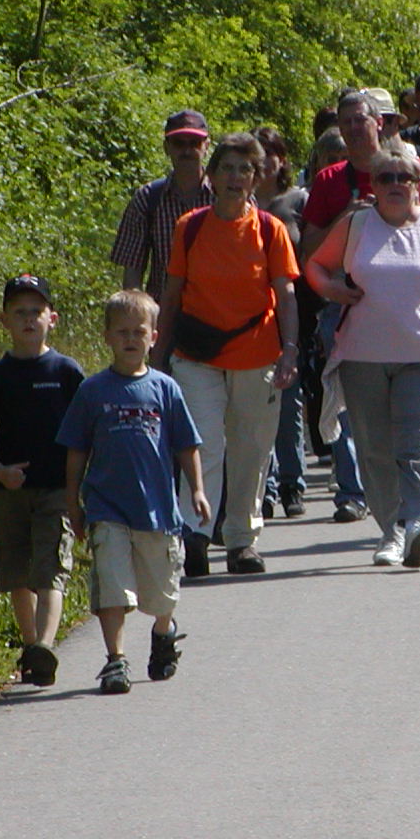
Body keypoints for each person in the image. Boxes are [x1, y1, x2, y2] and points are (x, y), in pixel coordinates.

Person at [305, 140, 420, 567]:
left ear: (418, 183)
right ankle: (390, 531)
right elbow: (314, 265)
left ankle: (416, 525)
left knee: (417, 444)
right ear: (373, 184)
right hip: (362, 356)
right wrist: (333, 290)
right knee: (374, 450)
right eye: (385, 177)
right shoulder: (356, 224)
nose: (394, 184)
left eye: (403, 177)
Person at [154, 133, 300, 576]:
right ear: (212, 176)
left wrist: (290, 351)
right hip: (196, 355)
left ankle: (240, 541)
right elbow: (172, 295)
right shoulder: (190, 227)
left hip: (257, 354)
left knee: (251, 451)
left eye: (245, 170)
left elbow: (286, 296)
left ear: (256, 179)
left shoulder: (270, 229)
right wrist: (156, 355)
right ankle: (195, 535)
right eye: (228, 169)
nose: (236, 178)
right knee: (202, 445)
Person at [58, 290, 210, 694]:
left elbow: (186, 444)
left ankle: (163, 632)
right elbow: (76, 450)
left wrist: (197, 489)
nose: (130, 339)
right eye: (122, 332)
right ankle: (116, 660)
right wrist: (73, 502)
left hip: (157, 509)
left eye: (138, 332)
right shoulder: (93, 391)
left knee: (161, 595)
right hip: (107, 507)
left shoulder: (166, 389)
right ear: (107, 336)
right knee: (112, 585)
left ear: (153, 337)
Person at [302, 91, 420, 522]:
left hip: (411, 313)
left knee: (410, 423)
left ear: (379, 122)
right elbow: (309, 251)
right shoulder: (329, 181)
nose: (353, 129)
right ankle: (352, 492)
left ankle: (413, 508)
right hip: (348, 308)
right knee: (356, 412)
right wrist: (348, 218)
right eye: (345, 122)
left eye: (360, 119)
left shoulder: (410, 169)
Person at [0, 274, 85, 687]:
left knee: (51, 569)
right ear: (4, 320)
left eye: (37, 311)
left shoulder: (66, 372)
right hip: (9, 493)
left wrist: (81, 485)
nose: (29, 319)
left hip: (56, 490)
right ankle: (30, 644)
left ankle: (45, 647)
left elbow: (85, 432)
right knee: (16, 571)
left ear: (53, 318)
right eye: (20, 312)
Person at [254, 128, 311, 519]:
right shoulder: (234, 202)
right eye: (258, 154)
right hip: (251, 314)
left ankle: (292, 482)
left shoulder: (298, 201)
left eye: (271, 152)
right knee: (256, 404)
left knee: (289, 401)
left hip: (291, 310)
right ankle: (266, 487)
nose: (264, 161)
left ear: (283, 159)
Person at [109, 110, 215, 300]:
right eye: (179, 143)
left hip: (216, 311)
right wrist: (138, 312)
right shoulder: (148, 198)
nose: (187, 151)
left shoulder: (225, 196)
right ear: (167, 147)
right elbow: (132, 271)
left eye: (194, 143)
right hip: (164, 309)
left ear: (206, 146)